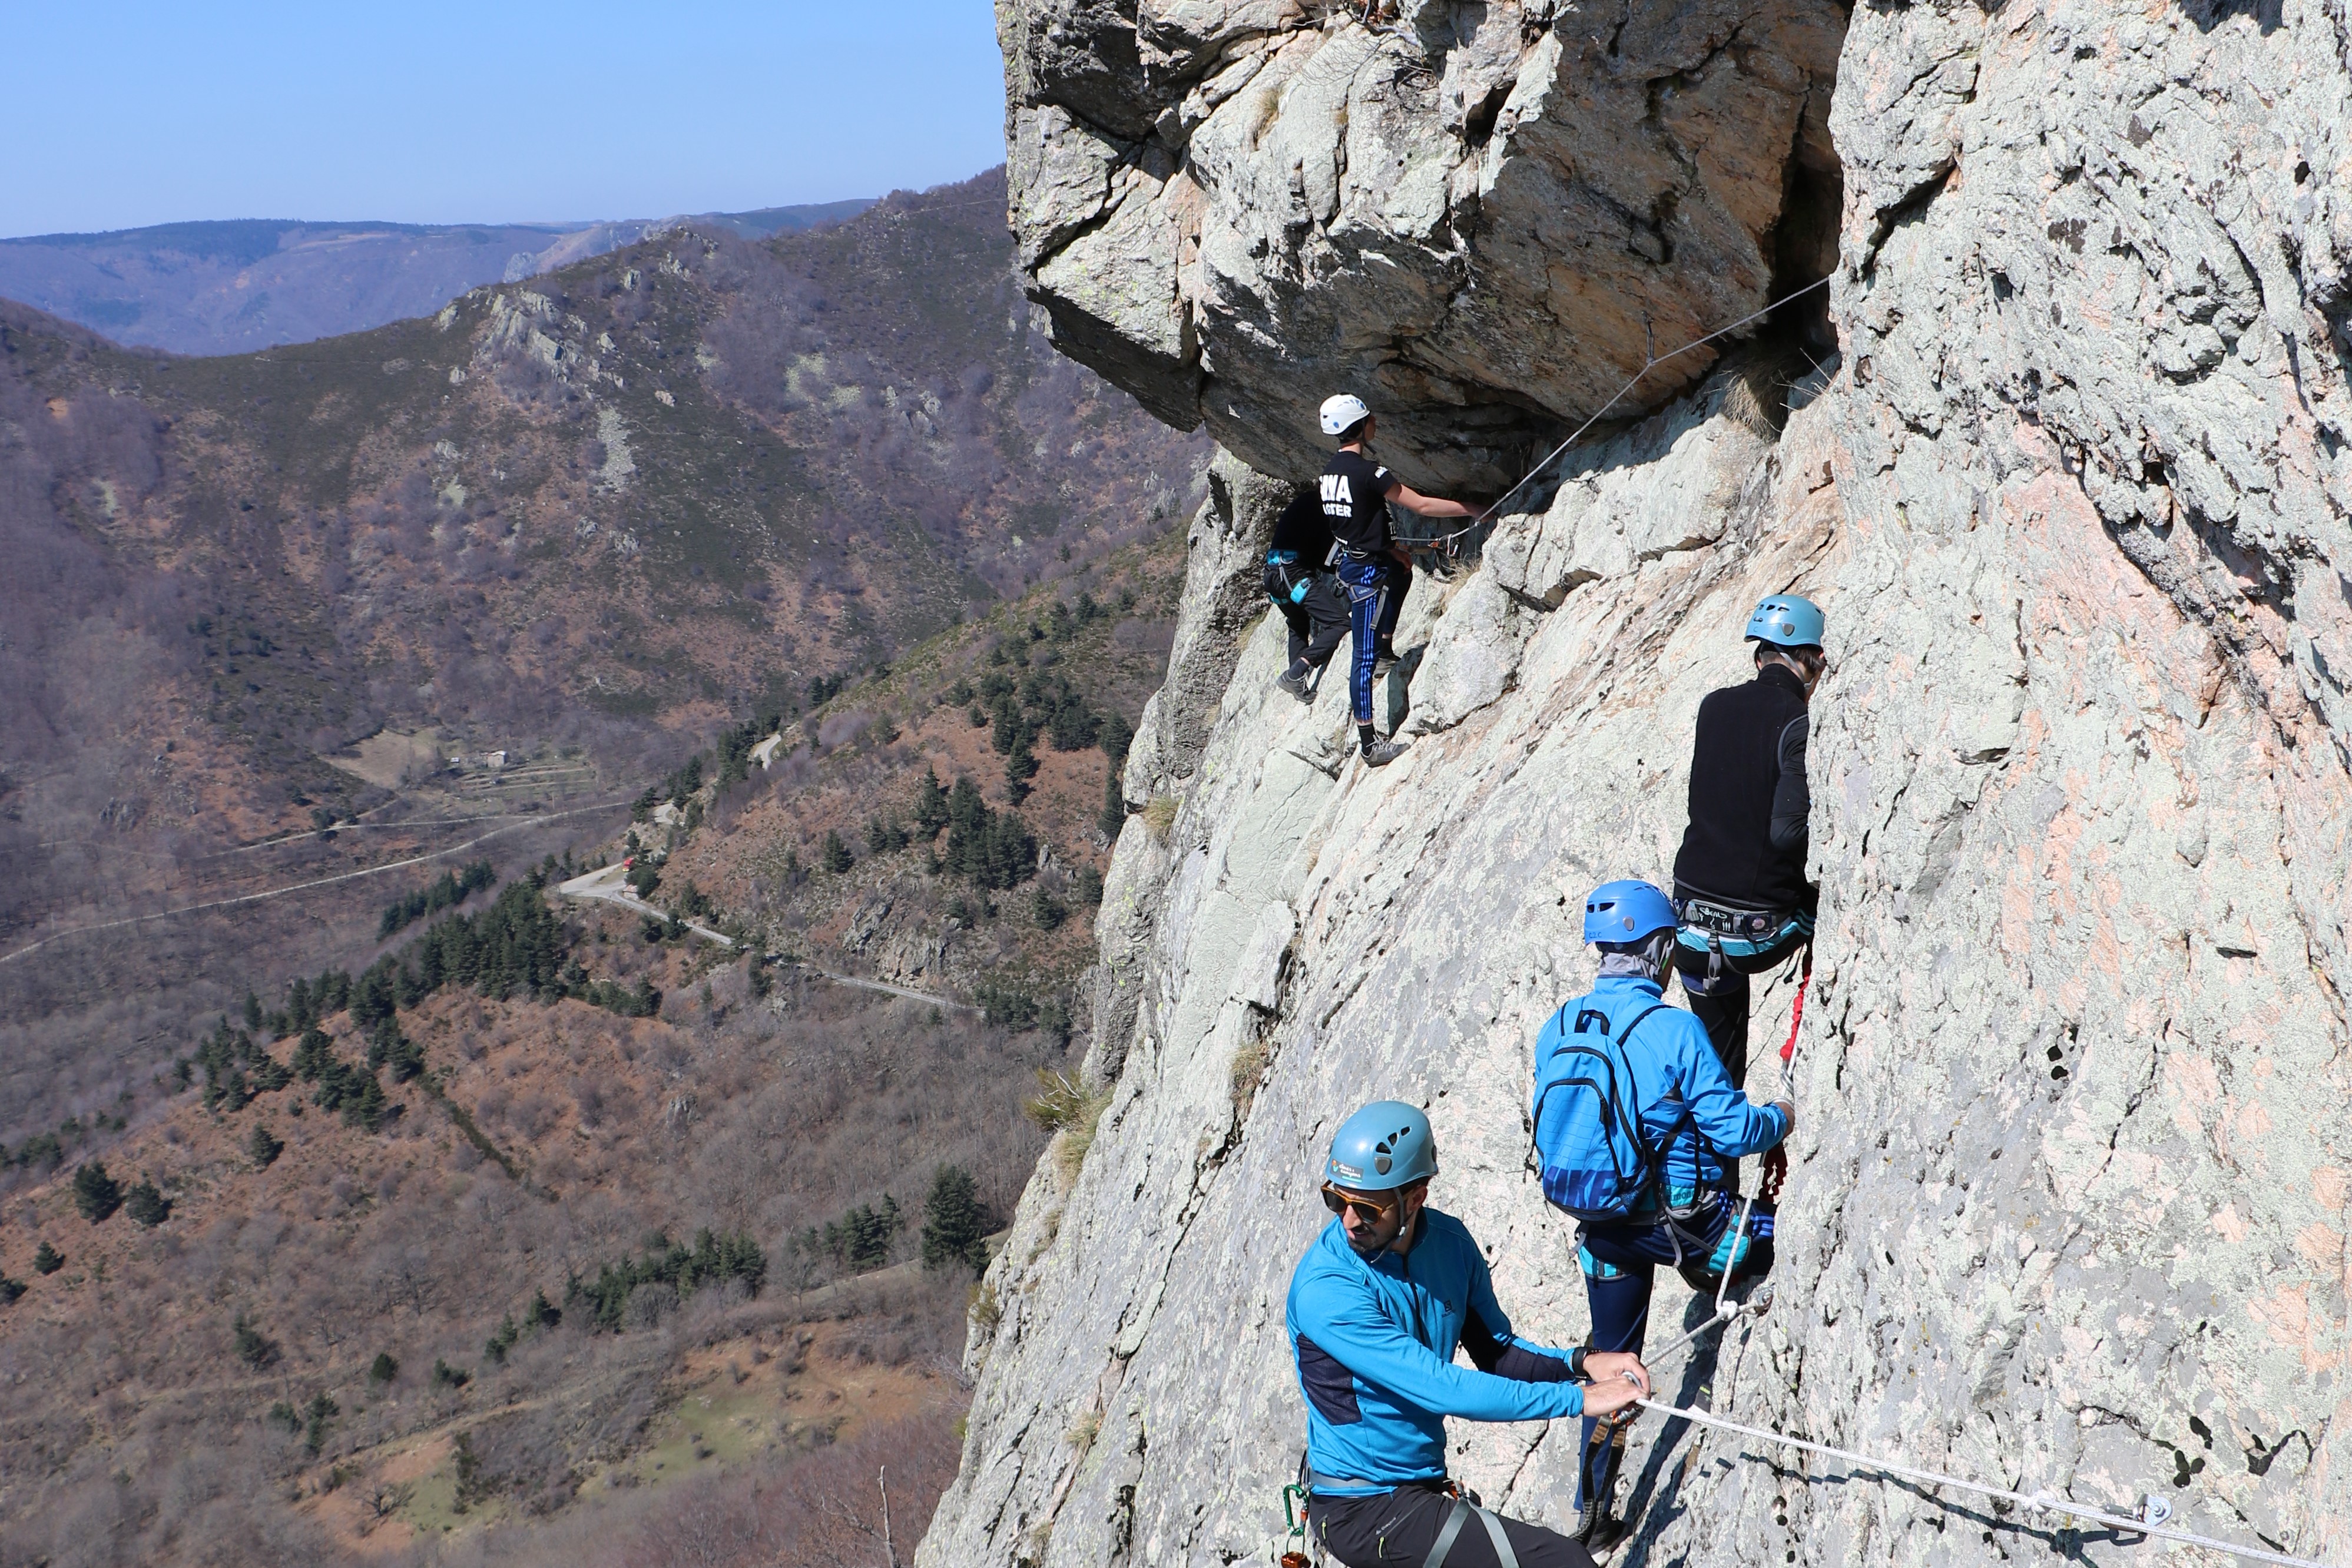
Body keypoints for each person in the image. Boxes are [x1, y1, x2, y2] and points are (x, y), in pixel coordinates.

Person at [1531, 880, 1795, 1549]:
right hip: (1688, 1228)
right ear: (1658, 951)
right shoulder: (1673, 1028)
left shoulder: (1558, 1025)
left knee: (1612, 1367)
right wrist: (1783, 1116)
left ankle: (1592, 1510)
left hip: (1603, 1232)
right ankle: (1713, 1277)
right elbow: (1736, 1132)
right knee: (1767, 1243)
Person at [1287, 1100, 1651, 1568]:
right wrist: (1582, 1399)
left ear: (1416, 1197)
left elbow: (1497, 1352)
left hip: (1413, 1492)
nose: (1348, 1220)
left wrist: (1582, 1362)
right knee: (1565, 1562)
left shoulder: (1450, 1245)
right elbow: (1441, 1387)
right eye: (1336, 1199)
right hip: (1361, 1507)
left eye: (1367, 1208)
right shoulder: (1327, 1289)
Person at [1669, 594, 1826, 1086]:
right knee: (1830, 909)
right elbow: (1785, 832)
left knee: (1716, 1075)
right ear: (1809, 659)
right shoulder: (1798, 722)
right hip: (1757, 933)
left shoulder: (1712, 706)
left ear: (1760, 657)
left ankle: (1700, 1156)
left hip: (1691, 923)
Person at [1315, 394, 1480, 767]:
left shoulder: (1328, 473)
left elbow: (1351, 525)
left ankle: (1386, 647)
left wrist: (1392, 551)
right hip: (1367, 574)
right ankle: (1370, 745)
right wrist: (1472, 509)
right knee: (1363, 657)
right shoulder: (1369, 472)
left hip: (1358, 563)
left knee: (1402, 572)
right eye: (1370, 417)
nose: (1375, 422)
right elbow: (1420, 505)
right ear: (1361, 426)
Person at [1266, 485, 1350, 703]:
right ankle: (1297, 671)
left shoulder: (1307, 502)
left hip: (1274, 574)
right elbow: (1330, 558)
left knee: (1298, 623)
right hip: (1293, 574)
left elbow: (1321, 555)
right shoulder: (1322, 508)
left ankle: (1297, 680)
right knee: (1340, 623)